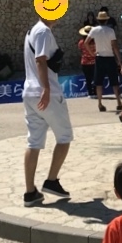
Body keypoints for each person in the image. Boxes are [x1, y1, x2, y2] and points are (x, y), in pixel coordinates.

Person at [22, 12, 73, 206]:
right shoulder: (43, 31)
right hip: (45, 93)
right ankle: (51, 180)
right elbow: (41, 59)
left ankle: (30, 192)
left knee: (33, 141)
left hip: (29, 93)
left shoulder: (31, 32)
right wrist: (46, 88)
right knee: (65, 137)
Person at [86, 10, 122, 112]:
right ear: (106, 20)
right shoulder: (111, 31)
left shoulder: (94, 30)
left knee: (99, 82)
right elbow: (115, 46)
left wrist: (91, 53)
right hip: (110, 57)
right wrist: (119, 60)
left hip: (99, 57)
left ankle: (100, 103)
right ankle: (119, 102)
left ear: (98, 20)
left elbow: (86, 43)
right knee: (114, 81)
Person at [78, 25, 97, 100]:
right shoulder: (95, 42)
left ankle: (90, 93)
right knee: (95, 78)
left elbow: (81, 50)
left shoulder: (81, 42)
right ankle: (95, 92)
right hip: (94, 62)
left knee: (88, 78)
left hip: (85, 62)